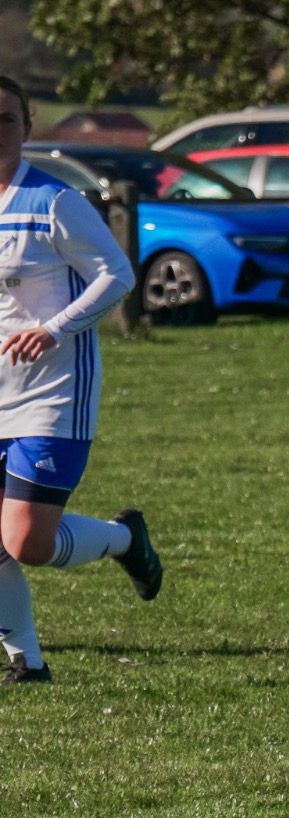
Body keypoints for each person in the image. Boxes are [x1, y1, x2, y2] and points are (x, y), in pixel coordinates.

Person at [0, 73, 157, 686]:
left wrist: (53, 329)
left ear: (27, 127)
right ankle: (27, 663)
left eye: (6, 119)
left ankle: (124, 540)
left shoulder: (54, 202)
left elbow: (117, 276)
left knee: (27, 542)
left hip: (52, 395)